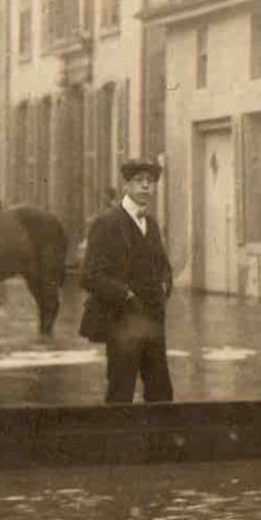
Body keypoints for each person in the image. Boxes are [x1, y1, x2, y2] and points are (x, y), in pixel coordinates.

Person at [80, 159, 174, 404]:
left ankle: (159, 442)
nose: (145, 187)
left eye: (150, 182)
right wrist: (126, 295)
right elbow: (89, 276)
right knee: (121, 392)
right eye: (138, 181)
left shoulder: (151, 224)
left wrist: (166, 284)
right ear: (126, 185)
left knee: (161, 392)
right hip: (121, 321)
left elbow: (163, 266)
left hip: (153, 320)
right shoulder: (107, 223)